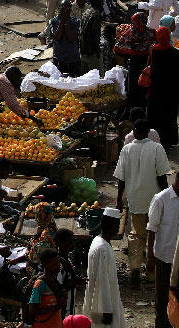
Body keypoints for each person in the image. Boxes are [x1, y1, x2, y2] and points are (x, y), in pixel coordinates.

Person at [114, 118, 171, 285]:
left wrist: (119, 199)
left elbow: (121, 179)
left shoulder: (127, 149)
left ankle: (135, 267)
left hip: (135, 199)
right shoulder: (157, 148)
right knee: (154, 233)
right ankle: (151, 272)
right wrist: (165, 197)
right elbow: (162, 177)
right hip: (155, 199)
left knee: (136, 234)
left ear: (135, 132)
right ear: (148, 133)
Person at [147, 172, 179, 328]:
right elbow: (151, 229)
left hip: (177, 259)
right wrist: (150, 258)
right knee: (162, 297)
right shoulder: (161, 199)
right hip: (164, 256)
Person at [84, 209, 125, 327]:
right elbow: (102, 281)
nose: (118, 228)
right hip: (102, 305)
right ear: (111, 225)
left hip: (105, 300)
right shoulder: (102, 248)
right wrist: (106, 310)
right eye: (117, 224)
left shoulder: (100, 242)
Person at [147, 26, 179, 147]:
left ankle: (154, 139)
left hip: (156, 89)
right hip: (171, 90)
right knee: (169, 115)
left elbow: (149, 66)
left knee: (155, 114)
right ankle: (169, 141)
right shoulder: (176, 53)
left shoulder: (153, 50)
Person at [28, 248, 68, 328]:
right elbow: (32, 310)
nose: (58, 266)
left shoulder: (54, 280)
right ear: (45, 264)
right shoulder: (40, 284)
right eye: (55, 264)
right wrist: (57, 307)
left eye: (58, 263)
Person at [79, 0, 103, 72]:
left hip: (83, 50)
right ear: (96, 0)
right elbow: (94, 37)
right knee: (98, 80)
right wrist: (98, 53)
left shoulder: (87, 11)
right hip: (91, 53)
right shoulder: (96, 14)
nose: (103, 1)